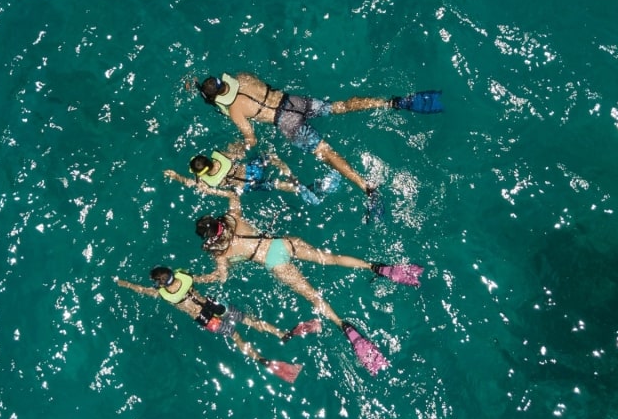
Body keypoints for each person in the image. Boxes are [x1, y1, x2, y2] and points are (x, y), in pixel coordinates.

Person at [192, 192, 424, 374]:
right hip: (283, 243)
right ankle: (375, 267)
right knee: (330, 259)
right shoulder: (234, 219)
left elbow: (221, 277)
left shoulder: (220, 253)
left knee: (314, 297)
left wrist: (198, 279)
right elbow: (233, 195)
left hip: (275, 262)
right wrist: (208, 189)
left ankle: (342, 325)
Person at [193, 71, 442, 214]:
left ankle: (367, 187)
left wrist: (239, 147)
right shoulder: (243, 77)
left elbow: (251, 138)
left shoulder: (235, 110)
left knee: (327, 153)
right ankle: (394, 103)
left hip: (286, 123)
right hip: (295, 102)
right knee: (339, 106)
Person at [113, 266, 312, 383]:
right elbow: (206, 277)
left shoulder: (164, 294)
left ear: (161, 284)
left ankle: (262, 359)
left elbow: (142, 290)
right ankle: (282, 334)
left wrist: (124, 283)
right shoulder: (185, 277)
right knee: (249, 320)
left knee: (235, 336)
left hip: (204, 317)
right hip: (213, 304)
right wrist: (219, 272)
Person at [163, 142, 337, 205]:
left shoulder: (208, 182)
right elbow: (240, 150)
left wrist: (176, 176)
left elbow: (194, 185)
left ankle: (301, 190)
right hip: (253, 169)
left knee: (274, 185)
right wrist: (236, 146)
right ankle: (287, 171)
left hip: (246, 185)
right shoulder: (222, 157)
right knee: (268, 156)